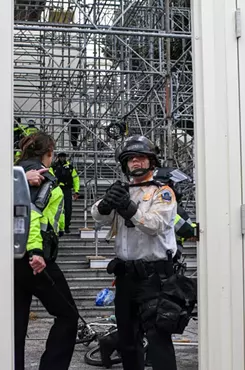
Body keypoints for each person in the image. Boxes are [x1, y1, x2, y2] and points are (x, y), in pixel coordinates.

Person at [91, 136, 179, 370]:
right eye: (130, 159)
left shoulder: (163, 192)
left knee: (158, 339)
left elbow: (155, 224)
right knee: (128, 340)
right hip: (126, 277)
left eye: (141, 158)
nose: (135, 163)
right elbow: (98, 217)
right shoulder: (123, 190)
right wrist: (105, 204)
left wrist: (128, 209)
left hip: (154, 278)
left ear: (151, 161)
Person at [14, 132, 78, 370]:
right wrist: (36, 251)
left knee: (16, 325)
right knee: (68, 316)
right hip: (35, 259)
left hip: (13, 258)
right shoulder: (41, 176)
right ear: (48, 153)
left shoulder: (16, 173)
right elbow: (31, 214)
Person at [52, 152, 80, 234]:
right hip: (56, 189)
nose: (62, 158)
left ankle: (66, 226)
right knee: (56, 208)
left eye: (64, 157)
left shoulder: (70, 167)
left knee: (68, 209)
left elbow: (76, 179)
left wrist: (76, 191)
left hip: (67, 189)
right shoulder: (54, 166)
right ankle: (56, 226)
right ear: (58, 157)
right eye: (60, 157)